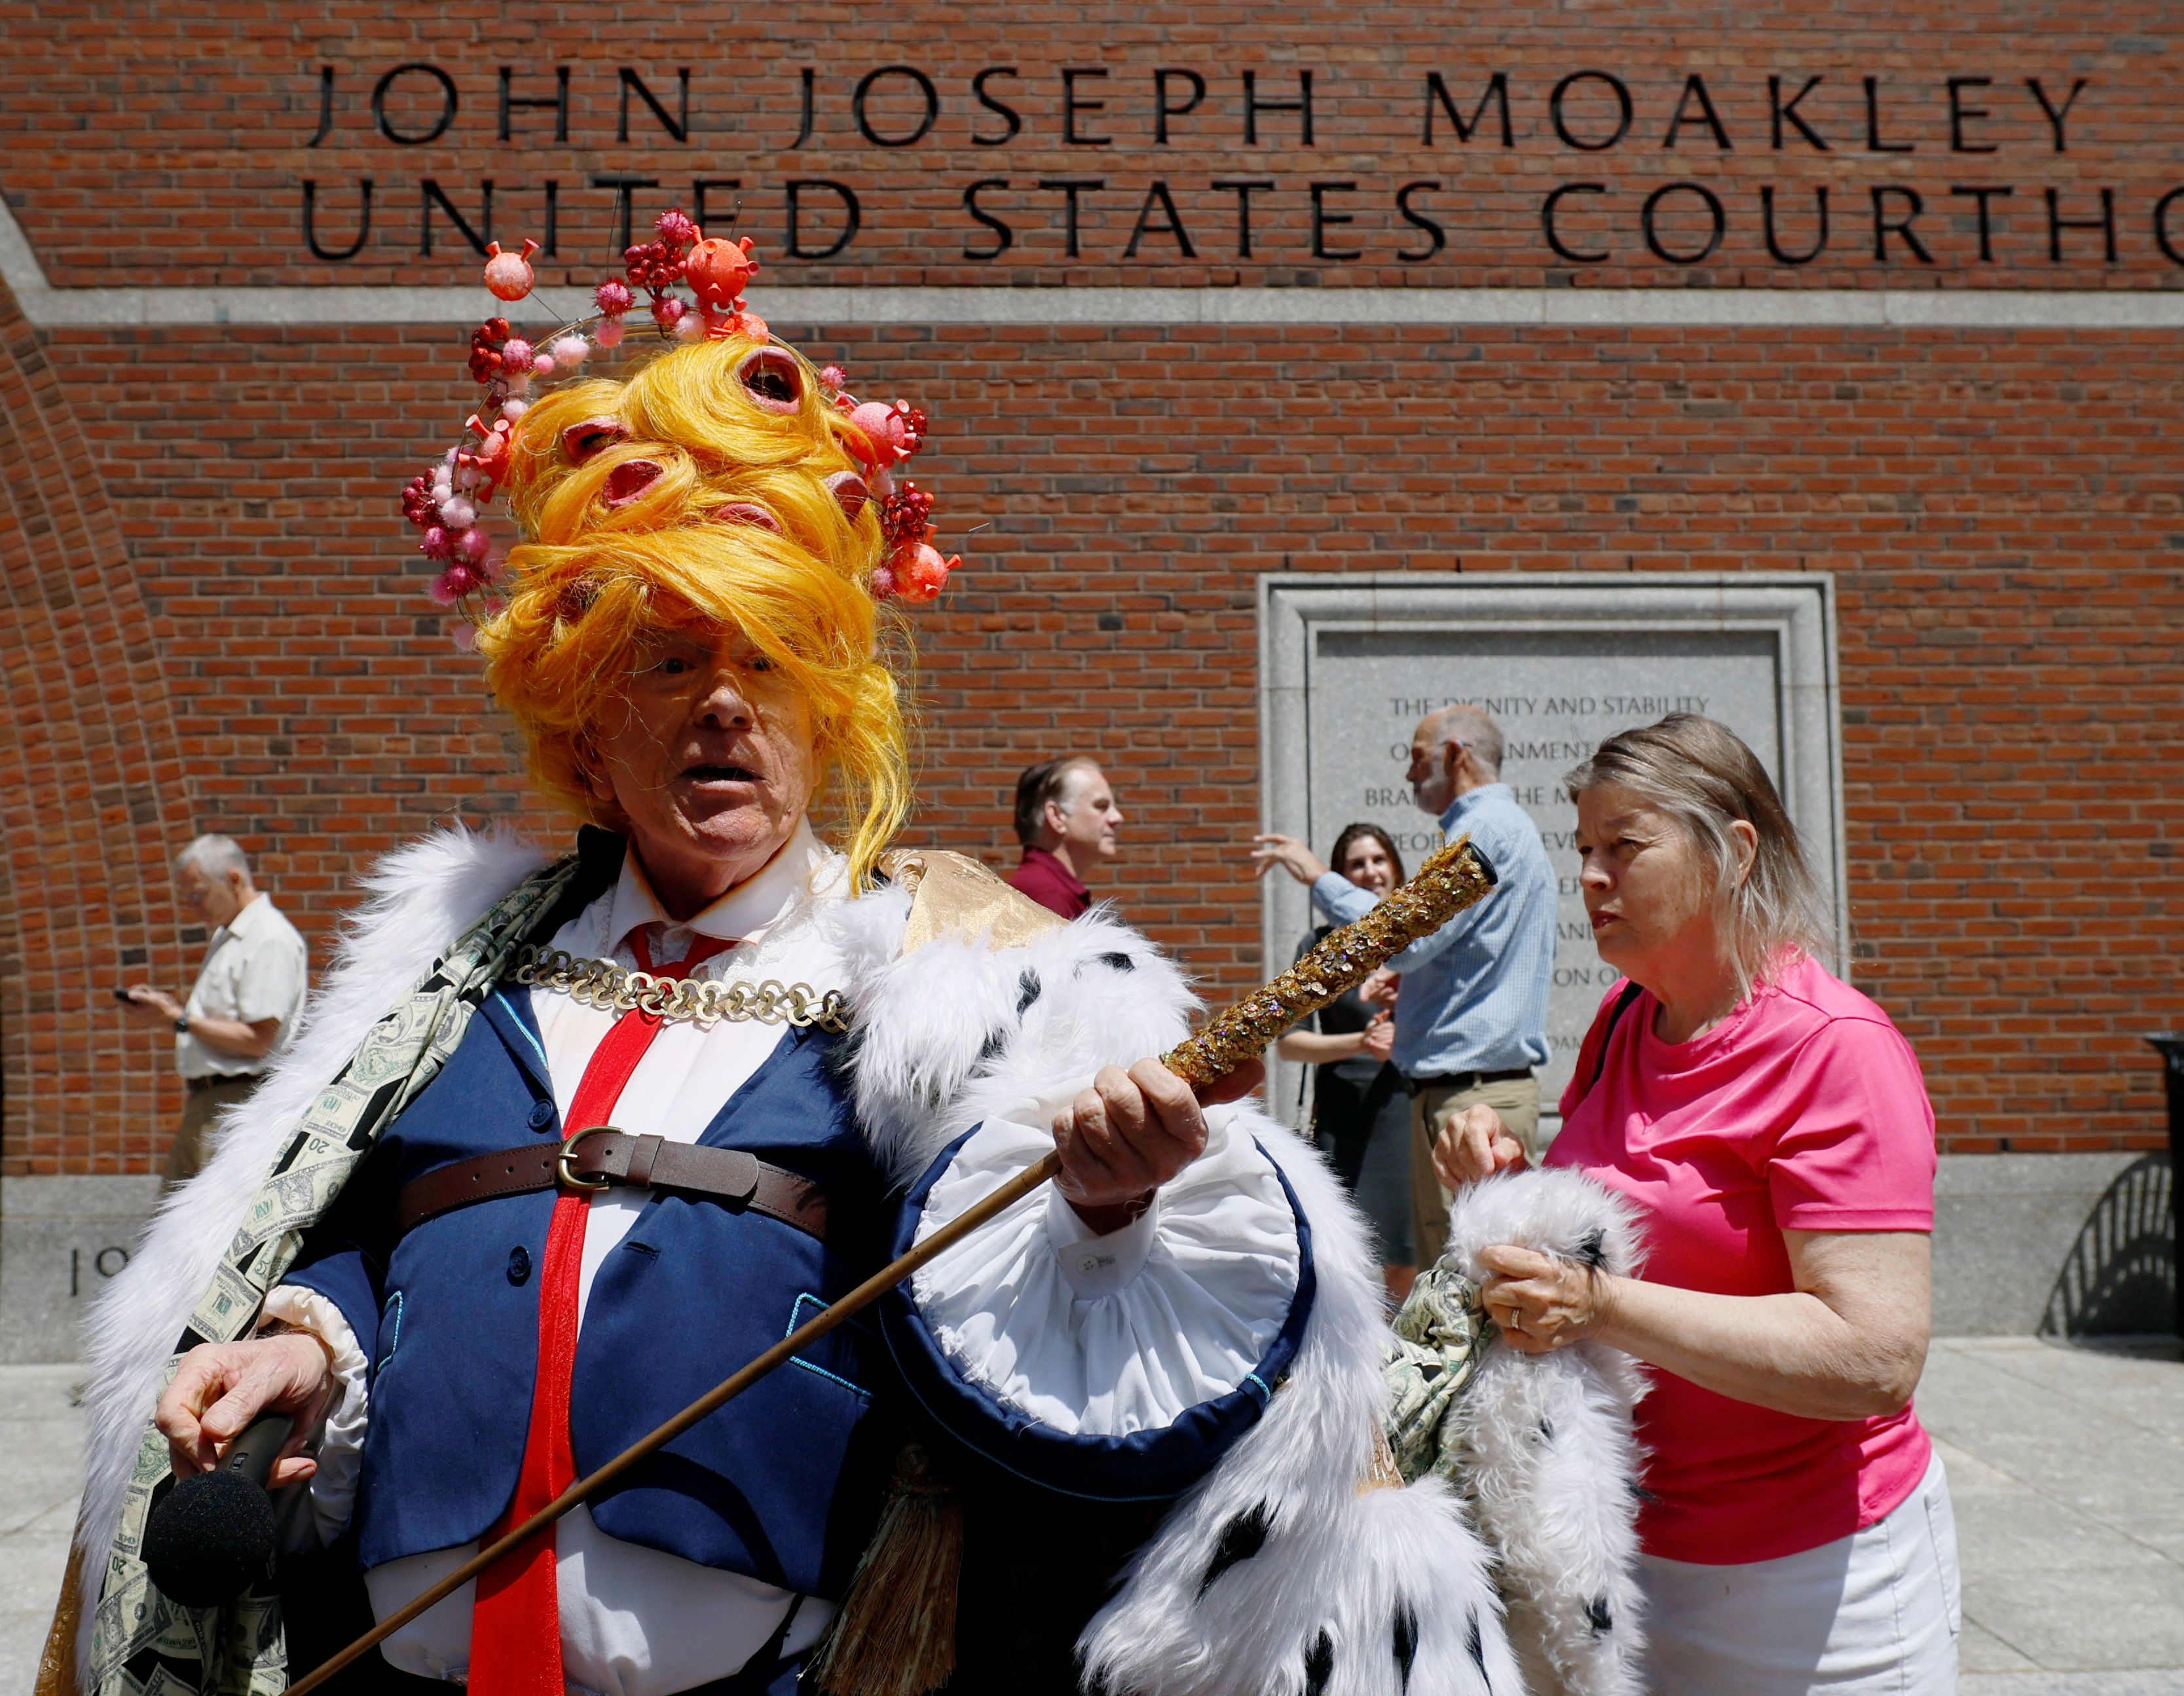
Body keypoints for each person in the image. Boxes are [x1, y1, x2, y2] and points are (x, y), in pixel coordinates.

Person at [58, 214, 1533, 1696]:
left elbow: (1047, 1402)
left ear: (825, 712)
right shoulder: (446, 988)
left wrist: (1101, 1220)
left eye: (767, 662)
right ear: (582, 715)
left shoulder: (961, 991)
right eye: (671, 659)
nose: (723, 707)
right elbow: (386, 1255)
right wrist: (310, 1350)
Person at [1436, 713, 1959, 1696]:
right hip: (1629, 1559)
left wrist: (1598, 1304)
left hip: (1811, 1585)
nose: (1590, 875)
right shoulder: (1624, 1016)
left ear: (1733, 850)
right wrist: (1505, 1185)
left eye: (1623, 847)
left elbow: (1875, 1356)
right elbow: (1631, 1221)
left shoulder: (1836, 1048)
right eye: (1583, 849)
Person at [1254, 703, 1557, 1266]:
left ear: (1455, 755)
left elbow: (1412, 938)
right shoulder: (1494, 829)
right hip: (1461, 1094)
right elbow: (1457, 950)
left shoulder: (1484, 830)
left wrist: (1321, 878)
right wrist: (1415, 987)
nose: (1409, 774)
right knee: (1454, 1280)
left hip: (1470, 1102)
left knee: (1472, 1287)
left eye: (1417, 759)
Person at [1273, 824, 1416, 1299]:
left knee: (1405, 1255)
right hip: (1344, 1115)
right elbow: (1289, 1044)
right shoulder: (1320, 945)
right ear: (1339, 876)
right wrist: (1361, 1041)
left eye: (1378, 860)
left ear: (1395, 868)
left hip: (1407, 1111)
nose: (1370, 871)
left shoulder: (1421, 941)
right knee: (1344, 1254)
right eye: (1356, 863)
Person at [116, 834, 308, 1185]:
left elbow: (258, 1039)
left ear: (233, 879)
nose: (192, 906)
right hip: (212, 1103)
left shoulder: (268, 937)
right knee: (171, 1229)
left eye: (198, 893)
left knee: (199, 1233)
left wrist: (178, 1018)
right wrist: (172, 1013)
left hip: (236, 1105)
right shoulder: (232, 936)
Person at [1007, 755, 1122, 919]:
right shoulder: (1048, 896)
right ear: (1057, 816)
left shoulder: (1050, 889)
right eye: (1101, 807)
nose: (1117, 818)